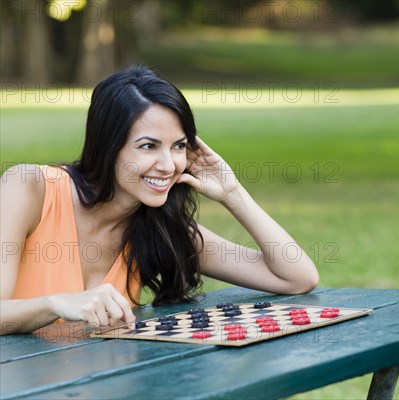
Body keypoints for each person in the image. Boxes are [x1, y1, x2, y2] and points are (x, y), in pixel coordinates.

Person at [0, 66, 319, 335]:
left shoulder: (159, 227)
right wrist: (55, 303)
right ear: (109, 147)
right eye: (149, 146)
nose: (168, 165)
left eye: (179, 146)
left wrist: (233, 194)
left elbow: (298, 277)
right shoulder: (31, 187)